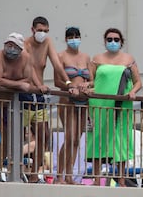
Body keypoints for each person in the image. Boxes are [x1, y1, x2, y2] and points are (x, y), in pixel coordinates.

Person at [83, 28, 142, 187]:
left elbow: (138, 82)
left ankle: (122, 180)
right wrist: (86, 87)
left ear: (121, 41)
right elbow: (92, 82)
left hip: (121, 105)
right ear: (104, 41)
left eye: (116, 39)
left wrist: (133, 92)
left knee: (121, 139)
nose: (113, 42)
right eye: (109, 39)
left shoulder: (129, 59)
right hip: (100, 105)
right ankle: (96, 180)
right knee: (98, 138)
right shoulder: (96, 59)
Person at [23, 16, 74, 183]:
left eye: (46, 31)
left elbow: (57, 65)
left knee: (44, 136)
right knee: (17, 137)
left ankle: (33, 174)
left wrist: (68, 82)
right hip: (24, 92)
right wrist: (38, 85)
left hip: (39, 95)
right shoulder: (25, 44)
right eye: (39, 30)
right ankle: (9, 169)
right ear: (32, 30)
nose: (43, 34)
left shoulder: (48, 42)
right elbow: (30, 69)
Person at [0, 32, 32, 181]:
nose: (10, 49)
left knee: (7, 140)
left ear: (20, 49)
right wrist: (18, 84)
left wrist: (9, 82)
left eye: (14, 46)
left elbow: (28, 80)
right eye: (8, 45)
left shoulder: (26, 58)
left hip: (9, 105)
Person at [54, 27, 92, 184]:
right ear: (66, 39)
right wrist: (70, 87)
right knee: (69, 137)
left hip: (84, 101)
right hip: (68, 100)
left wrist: (87, 85)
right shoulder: (61, 56)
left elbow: (93, 79)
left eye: (77, 36)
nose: (74, 39)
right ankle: (59, 175)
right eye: (71, 37)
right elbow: (57, 81)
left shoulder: (86, 57)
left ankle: (69, 175)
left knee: (77, 139)